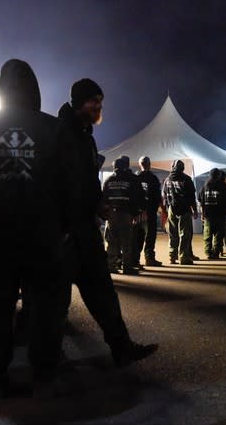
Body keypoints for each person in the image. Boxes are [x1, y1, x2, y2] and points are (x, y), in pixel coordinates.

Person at [0, 59, 76, 398]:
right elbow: (67, 183)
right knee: (45, 304)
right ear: (35, 88)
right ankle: (45, 371)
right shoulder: (52, 128)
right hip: (41, 232)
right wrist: (66, 225)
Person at [55, 79, 158, 370]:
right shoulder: (62, 132)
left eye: (100, 100)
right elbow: (61, 183)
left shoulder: (85, 135)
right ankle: (47, 367)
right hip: (66, 231)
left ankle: (121, 348)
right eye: (93, 100)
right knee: (55, 302)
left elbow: (86, 183)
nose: (99, 106)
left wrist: (98, 204)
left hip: (85, 228)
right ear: (79, 101)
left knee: (103, 292)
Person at [103, 155, 144, 274]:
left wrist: (105, 213)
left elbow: (103, 198)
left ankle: (111, 265)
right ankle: (127, 266)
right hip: (126, 214)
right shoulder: (130, 179)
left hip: (112, 214)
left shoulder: (108, 180)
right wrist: (136, 213)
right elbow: (136, 198)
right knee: (126, 241)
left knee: (112, 241)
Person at [163, 159, 198, 264]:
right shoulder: (186, 179)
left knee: (173, 234)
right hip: (184, 210)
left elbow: (164, 195)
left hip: (172, 209)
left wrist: (167, 208)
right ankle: (183, 257)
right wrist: (195, 209)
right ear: (182, 168)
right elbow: (192, 196)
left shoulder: (167, 179)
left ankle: (172, 256)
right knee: (184, 234)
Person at [134, 156, 163, 267]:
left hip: (138, 212)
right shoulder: (153, 178)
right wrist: (159, 208)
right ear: (149, 164)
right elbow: (157, 196)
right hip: (150, 211)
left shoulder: (136, 178)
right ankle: (149, 258)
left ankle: (135, 259)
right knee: (150, 236)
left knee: (138, 236)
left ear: (140, 164)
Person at [198, 168, 226, 259]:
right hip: (219, 214)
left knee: (208, 234)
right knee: (218, 235)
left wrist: (202, 213)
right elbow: (225, 201)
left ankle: (208, 252)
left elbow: (200, 200)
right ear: (218, 175)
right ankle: (216, 252)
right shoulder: (222, 186)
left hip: (208, 215)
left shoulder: (204, 186)